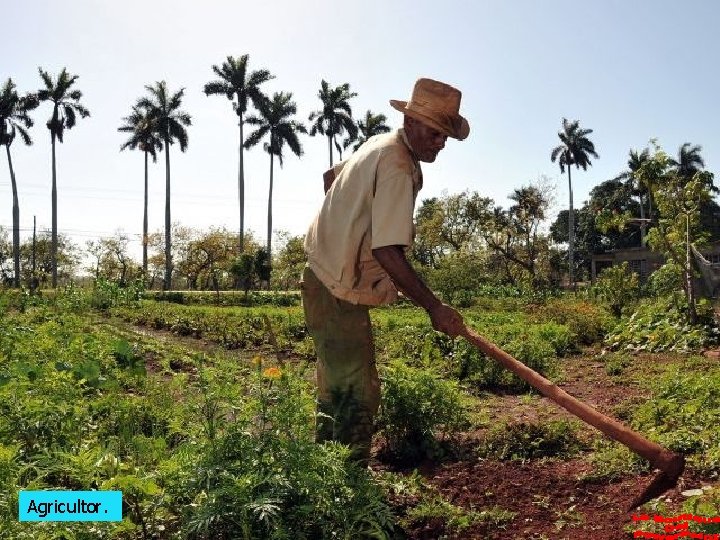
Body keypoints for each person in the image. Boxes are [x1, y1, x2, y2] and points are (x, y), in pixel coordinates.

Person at [302, 78, 469, 463]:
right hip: (336, 286)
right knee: (357, 394)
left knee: (337, 386)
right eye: (434, 132)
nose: (440, 142)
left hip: (322, 274)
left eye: (445, 136)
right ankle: (348, 488)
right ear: (410, 123)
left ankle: (324, 474)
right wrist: (434, 307)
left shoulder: (379, 143)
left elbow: (331, 177)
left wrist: (344, 224)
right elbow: (388, 251)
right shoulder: (398, 164)